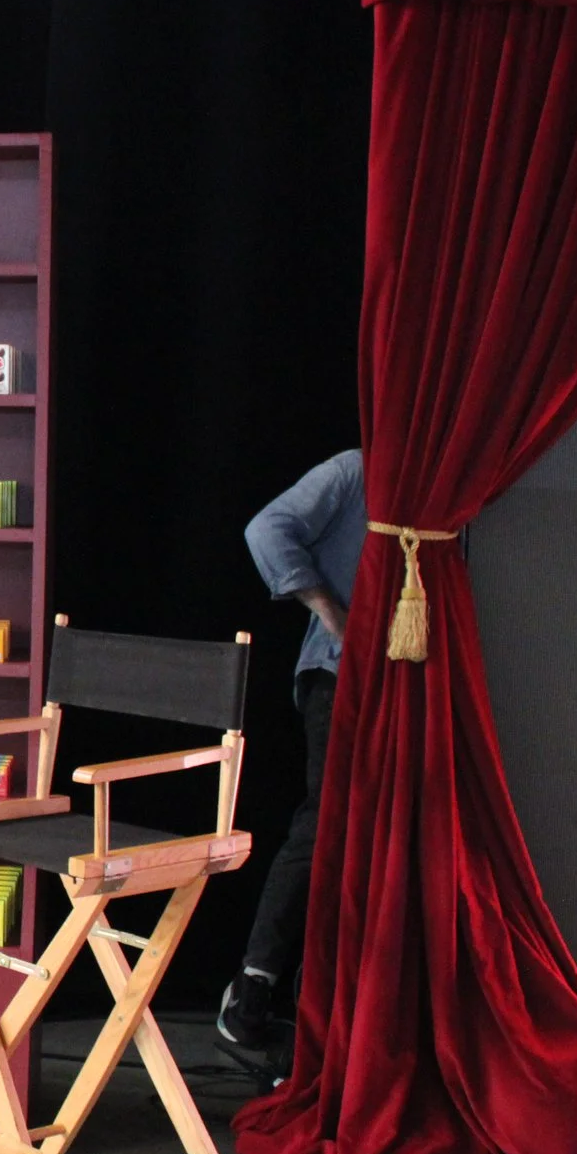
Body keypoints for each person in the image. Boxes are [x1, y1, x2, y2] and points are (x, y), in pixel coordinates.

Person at [219, 446, 365, 1077]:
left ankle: (334, 1015)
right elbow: (266, 529)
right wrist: (333, 616)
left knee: (378, 841)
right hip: (341, 677)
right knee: (325, 824)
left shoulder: (453, 487)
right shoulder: (357, 472)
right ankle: (253, 996)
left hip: (421, 685)